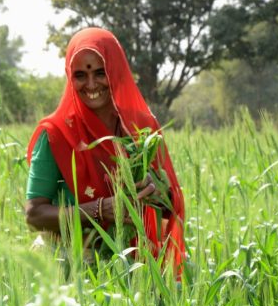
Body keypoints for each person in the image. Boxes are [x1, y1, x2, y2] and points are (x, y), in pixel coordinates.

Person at [25, 27, 185, 271]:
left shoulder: (142, 128)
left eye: (101, 73)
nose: (91, 84)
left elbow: (170, 206)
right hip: (66, 265)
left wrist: (157, 191)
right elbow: (35, 215)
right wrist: (99, 210)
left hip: (131, 266)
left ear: (116, 71)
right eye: (80, 75)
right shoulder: (56, 134)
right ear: (70, 77)